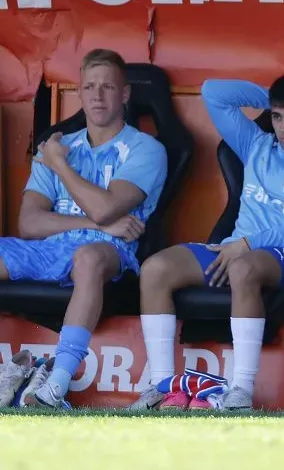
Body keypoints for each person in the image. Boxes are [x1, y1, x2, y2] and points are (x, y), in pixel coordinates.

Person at [131, 71, 284, 412]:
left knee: (244, 269)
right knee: (155, 268)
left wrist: (249, 243)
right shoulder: (257, 144)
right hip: (238, 248)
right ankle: (163, 386)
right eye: (277, 116)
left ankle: (240, 391)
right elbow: (213, 92)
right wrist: (273, 97)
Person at [0, 49, 168, 409]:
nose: (97, 95)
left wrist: (60, 167)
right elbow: (29, 223)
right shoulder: (62, 147)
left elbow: (106, 206)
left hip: (109, 252)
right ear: (79, 92)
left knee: (89, 257)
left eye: (107, 87)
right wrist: (96, 221)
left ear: (124, 94)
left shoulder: (145, 149)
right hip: (52, 246)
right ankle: (13, 374)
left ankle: (55, 387)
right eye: (89, 86)